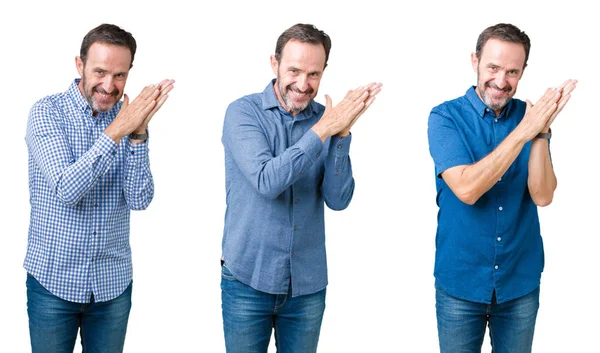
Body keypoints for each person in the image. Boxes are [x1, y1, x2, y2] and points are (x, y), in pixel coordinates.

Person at [220, 23, 382, 353]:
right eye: (294, 70)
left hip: (306, 286)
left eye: (314, 75)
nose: (303, 85)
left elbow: (338, 200)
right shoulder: (242, 113)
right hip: (247, 280)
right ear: (274, 64)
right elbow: (267, 181)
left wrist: (342, 136)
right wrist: (322, 131)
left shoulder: (328, 122)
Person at [24, 23, 174, 353]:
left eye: (120, 75)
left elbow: (139, 198)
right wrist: (118, 131)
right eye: (100, 72)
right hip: (53, 284)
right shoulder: (47, 113)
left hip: (112, 286)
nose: (109, 85)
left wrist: (139, 134)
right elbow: (66, 189)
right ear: (80, 66)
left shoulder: (130, 117)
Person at [427, 23, 576, 353]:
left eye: (512, 71)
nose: (501, 80)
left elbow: (543, 195)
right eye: (493, 67)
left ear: (523, 71)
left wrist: (540, 133)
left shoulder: (531, 117)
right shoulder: (445, 117)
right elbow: (466, 189)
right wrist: (525, 131)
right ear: (475, 61)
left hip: (519, 281)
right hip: (460, 283)